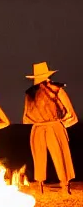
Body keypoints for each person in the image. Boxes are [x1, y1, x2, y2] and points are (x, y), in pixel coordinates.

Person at [23, 62, 78, 194]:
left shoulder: (30, 93)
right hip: (51, 126)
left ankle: (45, 184)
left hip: (39, 127)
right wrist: (62, 125)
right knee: (60, 155)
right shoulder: (55, 89)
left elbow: (26, 117)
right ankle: (63, 184)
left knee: (42, 156)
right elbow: (70, 112)